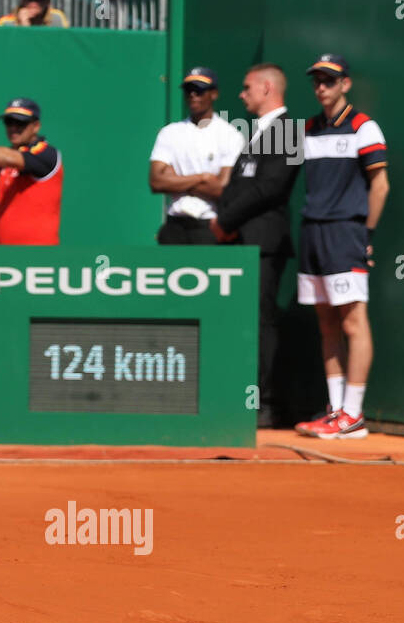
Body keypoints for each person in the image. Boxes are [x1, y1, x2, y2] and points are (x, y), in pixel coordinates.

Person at [291, 55, 390, 439]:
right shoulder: (308, 130)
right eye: (316, 81)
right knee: (327, 323)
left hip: (346, 234)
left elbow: (379, 186)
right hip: (312, 233)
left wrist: (366, 235)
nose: (321, 87)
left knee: (353, 321)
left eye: (329, 81)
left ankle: (354, 414)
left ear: (345, 84)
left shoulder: (364, 127)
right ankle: (336, 412)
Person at [211, 63, 301, 429]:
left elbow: (272, 188)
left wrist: (226, 221)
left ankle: (265, 403)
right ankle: (238, 397)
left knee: (262, 321)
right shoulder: (255, 132)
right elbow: (237, 185)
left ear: (267, 88)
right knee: (239, 321)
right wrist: (225, 221)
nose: (241, 94)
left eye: (247, 88)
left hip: (264, 242)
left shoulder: (289, 130)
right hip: (238, 241)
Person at [149, 66, 245, 244]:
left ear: (214, 94)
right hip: (174, 224)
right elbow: (156, 182)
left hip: (209, 225)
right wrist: (203, 177)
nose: (193, 95)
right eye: (188, 90)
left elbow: (221, 189)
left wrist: (175, 179)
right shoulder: (169, 132)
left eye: (199, 90)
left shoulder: (230, 135)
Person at [0, 98, 63, 245]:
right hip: (5, 252)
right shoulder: (8, 158)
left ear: (36, 126)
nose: (14, 128)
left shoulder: (45, 153)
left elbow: (9, 158)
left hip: (39, 252)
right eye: (9, 122)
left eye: (20, 123)